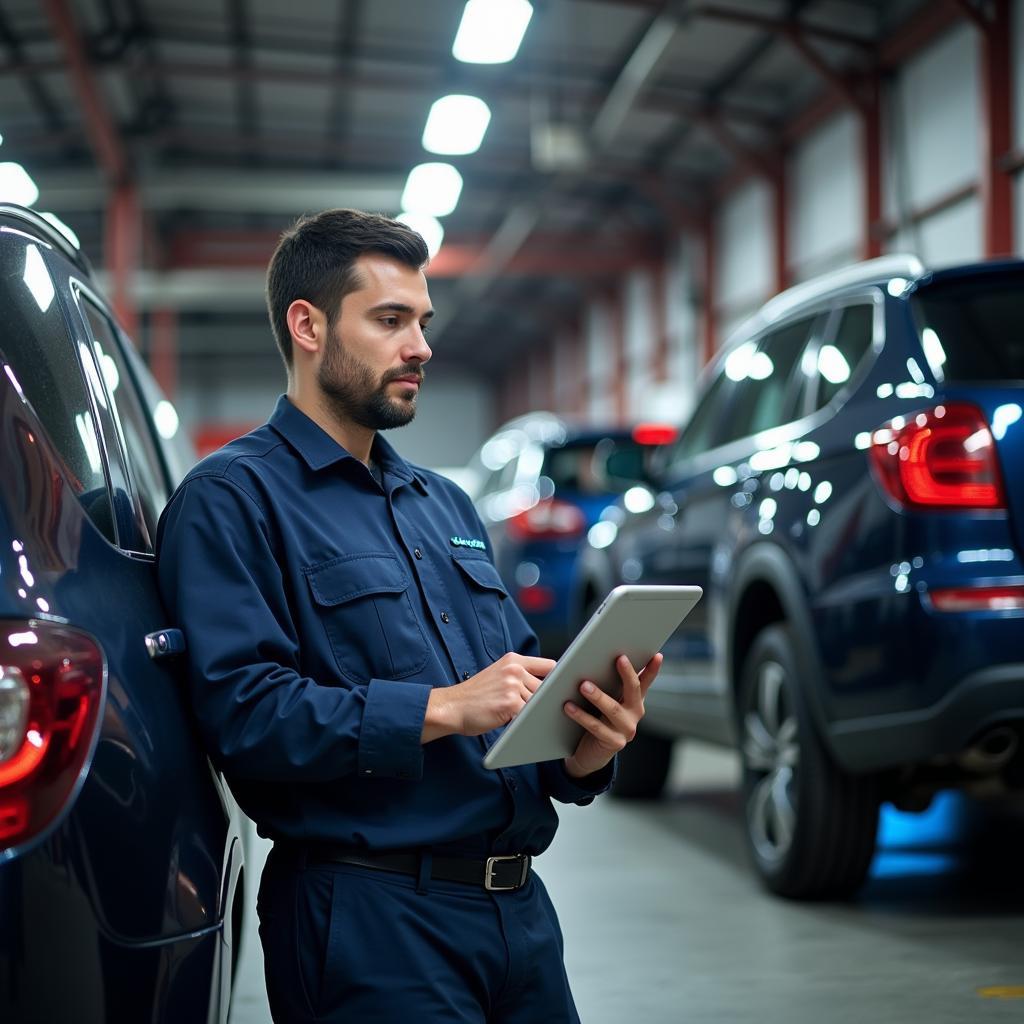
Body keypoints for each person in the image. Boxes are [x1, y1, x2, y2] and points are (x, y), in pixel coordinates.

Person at [156, 208, 663, 1024]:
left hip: (520, 918)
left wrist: (584, 744)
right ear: (308, 325)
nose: (421, 346)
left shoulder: (446, 503)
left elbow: (517, 692)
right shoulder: (232, 501)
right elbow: (242, 715)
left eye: (422, 322)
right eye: (390, 320)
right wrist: (440, 707)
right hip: (371, 923)